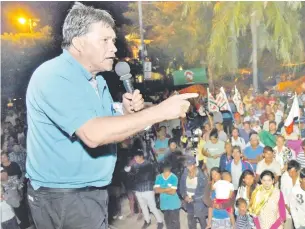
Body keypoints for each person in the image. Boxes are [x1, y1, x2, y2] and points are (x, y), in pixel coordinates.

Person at [25, 3, 197, 228]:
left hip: (87, 194)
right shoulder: (54, 76)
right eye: (105, 40)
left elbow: (107, 122)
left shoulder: (97, 81)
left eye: (113, 41)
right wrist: (159, 111)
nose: (114, 48)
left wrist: (124, 111)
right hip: (64, 198)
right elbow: (93, 133)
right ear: (78, 42)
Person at [124, 150, 163, 229]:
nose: (135, 159)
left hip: (148, 189)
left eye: (137, 157)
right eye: (134, 158)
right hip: (138, 190)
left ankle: (160, 221)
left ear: (141, 156)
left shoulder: (150, 164)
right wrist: (130, 165)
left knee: (152, 207)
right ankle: (147, 221)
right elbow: (126, 171)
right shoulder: (134, 166)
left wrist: (156, 187)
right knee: (143, 207)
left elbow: (157, 175)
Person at [180, 156, 208, 229]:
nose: (189, 167)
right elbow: (182, 185)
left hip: (198, 202)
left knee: (202, 220)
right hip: (188, 200)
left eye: (190, 165)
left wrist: (193, 198)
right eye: (187, 165)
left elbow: (204, 191)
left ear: (195, 164)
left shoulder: (201, 176)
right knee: (191, 220)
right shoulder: (185, 172)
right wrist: (184, 195)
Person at [154, 162, 181, 229]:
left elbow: (173, 192)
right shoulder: (159, 177)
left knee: (175, 222)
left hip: (174, 204)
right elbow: (156, 191)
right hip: (164, 204)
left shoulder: (173, 177)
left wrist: (161, 190)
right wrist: (167, 189)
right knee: (168, 222)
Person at [281, 160, 301, 229]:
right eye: (289, 172)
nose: (291, 174)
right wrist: (289, 209)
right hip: (287, 209)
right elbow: (283, 195)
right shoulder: (285, 177)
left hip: (300, 210)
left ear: (298, 171)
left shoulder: (302, 178)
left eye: (293, 172)